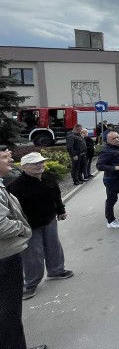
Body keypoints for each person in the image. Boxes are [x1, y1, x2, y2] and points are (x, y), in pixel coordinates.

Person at [7, 152, 73, 301]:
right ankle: (31, 283)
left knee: (53, 245)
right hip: (30, 225)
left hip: (49, 219)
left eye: (41, 162)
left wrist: (61, 210)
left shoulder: (49, 177)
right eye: (35, 163)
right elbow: (13, 210)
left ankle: (56, 271)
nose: (40, 165)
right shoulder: (15, 186)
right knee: (33, 253)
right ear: (24, 167)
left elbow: (56, 195)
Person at [0, 146, 48, 349]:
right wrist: (22, 228)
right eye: (3, 156)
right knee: (9, 312)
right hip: (4, 257)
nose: (9, 158)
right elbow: (1, 225)